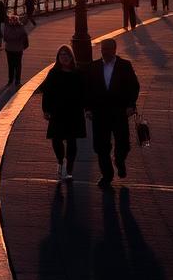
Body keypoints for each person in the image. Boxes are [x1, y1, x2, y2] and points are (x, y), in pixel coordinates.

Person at [85, 38, 141, 188]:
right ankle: (107, 175)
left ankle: (119, 160)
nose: (105, 51)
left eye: (109, 49)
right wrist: (88, 108)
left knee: (123, 144)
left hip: (119, 112)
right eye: (103, 49)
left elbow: (134, 87)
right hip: (99, 113)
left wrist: (131, 105)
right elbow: (87, 90)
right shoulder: (93, 67)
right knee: (101, 146)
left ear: (115, 50)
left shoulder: (125, 66)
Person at [41, 45, 86, 181]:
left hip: (74, 112)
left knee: (72, 141)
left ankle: (70, 167)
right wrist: (46, 110)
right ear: (58, 58)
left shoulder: (78, 73)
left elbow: (84, 91)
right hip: (57, 111)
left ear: (71, 57)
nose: (64, 57)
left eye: (66, 55)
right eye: (61, 55)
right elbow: (46, 92)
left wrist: (85, 107)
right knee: (56, 140)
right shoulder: (53, 73)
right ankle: (60, 161)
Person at [2, 13, 29, 87]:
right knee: (17, 65)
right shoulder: (21, 27)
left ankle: (11, 80)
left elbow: (5, 37)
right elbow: (24, 36)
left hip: (11, 48)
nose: (12, 21)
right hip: (17, 49)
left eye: (13, 20)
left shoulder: (7, 27)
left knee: (12, 65)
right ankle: (17, 81)